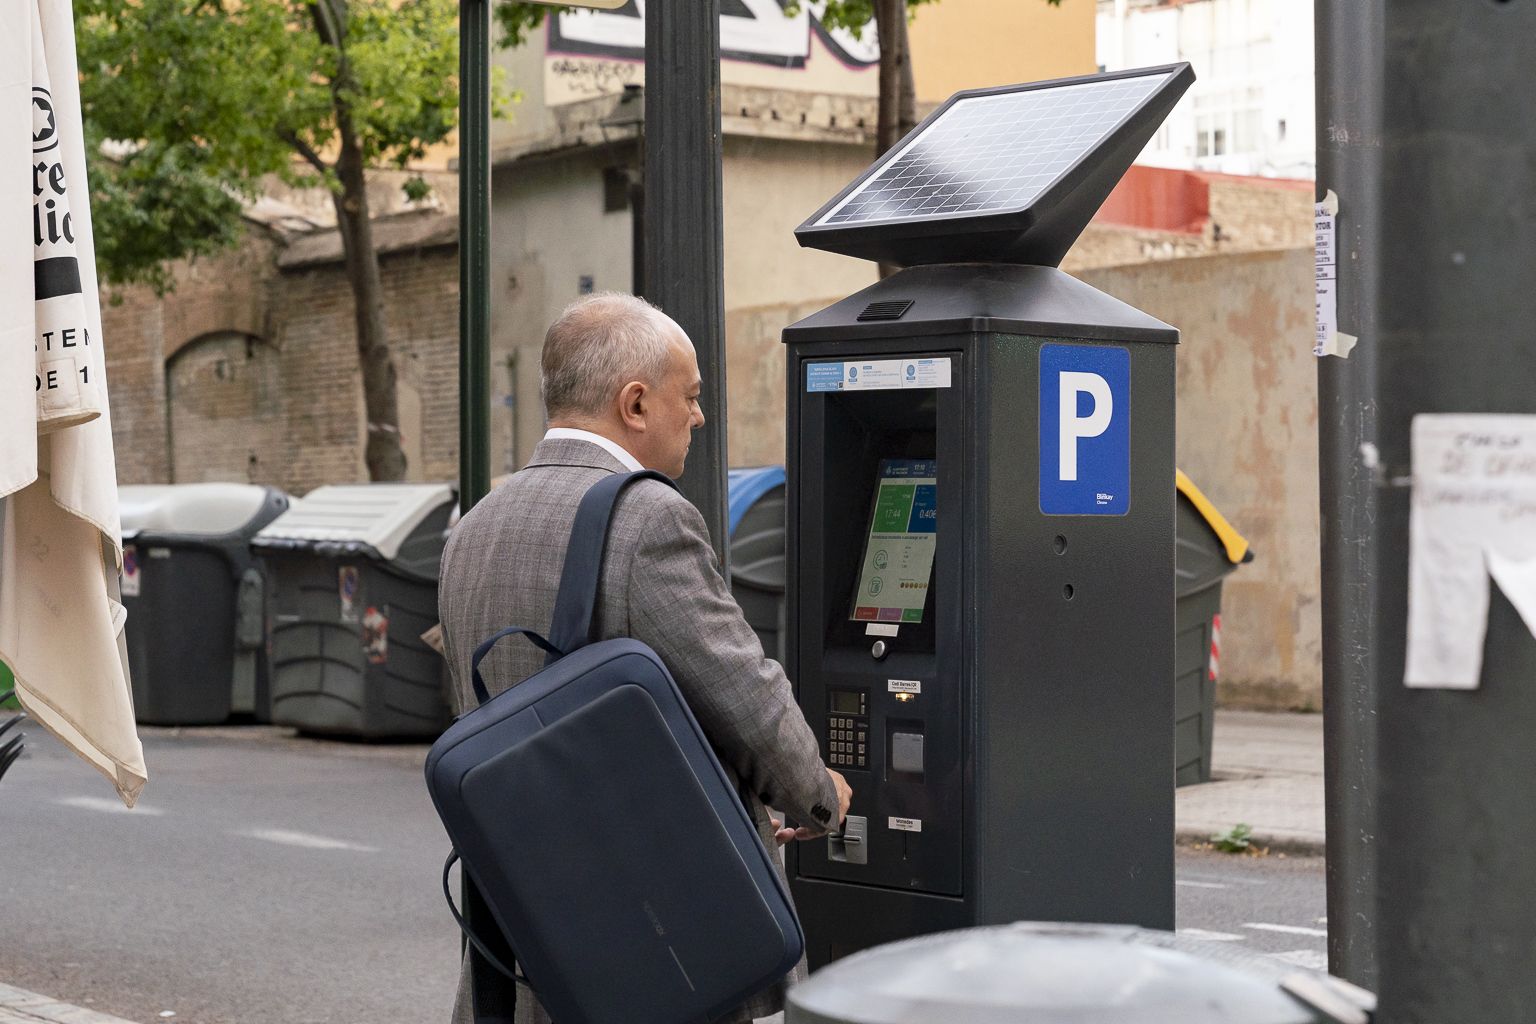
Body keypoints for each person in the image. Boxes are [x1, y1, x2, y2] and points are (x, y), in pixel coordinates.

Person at [438, 292, 853, 1024]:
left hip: (525, 935)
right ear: (635, 403)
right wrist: (815, 793)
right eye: (689, 397)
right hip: (655, 942)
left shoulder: (472, 527)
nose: (698, 416)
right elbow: (741, 691)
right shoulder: (646, 517)